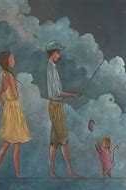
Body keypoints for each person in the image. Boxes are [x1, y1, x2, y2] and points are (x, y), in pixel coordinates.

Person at [0, 51, 31, 178]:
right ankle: (15, 173)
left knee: (9, 143)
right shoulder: (9, 76)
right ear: (7, 61)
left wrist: (5, 104)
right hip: (14, 109)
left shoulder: (4, 75)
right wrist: (15, 85)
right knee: (15, 143)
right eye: (12, 58)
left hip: (9, 108)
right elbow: (16, 95)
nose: (14, 60)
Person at [46, 41, 81, 177]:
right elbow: (57, 92)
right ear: (53, 53)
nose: (59, 55)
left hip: (55, 105)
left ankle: (52, 171)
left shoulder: (52, 68)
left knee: (55, 141)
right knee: (64, 139)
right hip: (56, 106)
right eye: (58, 52)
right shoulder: (51, 69)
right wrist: (73, 95)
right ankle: (71, 172)